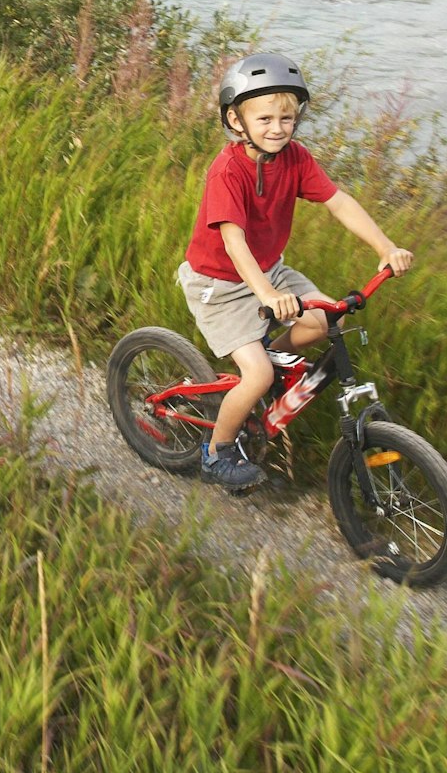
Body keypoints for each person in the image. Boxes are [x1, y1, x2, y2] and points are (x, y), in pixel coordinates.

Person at [177, 53, 414, 490]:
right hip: (219, 284)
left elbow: (339, 202)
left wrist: (385, 247)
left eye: (286, 117)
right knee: (260, 376)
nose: (277, 128)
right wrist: (266, 295)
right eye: (264, 117)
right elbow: (234, 242)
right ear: (236, 119)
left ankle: (269, 356)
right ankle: (216, 454)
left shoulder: (295, 159)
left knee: (328, 319)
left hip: (270, 271)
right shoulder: (227, 171)